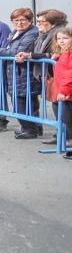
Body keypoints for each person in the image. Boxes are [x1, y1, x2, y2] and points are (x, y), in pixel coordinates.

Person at [0, 8, 40, 138]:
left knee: (24, 103)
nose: (19, 23)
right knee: (21, 102)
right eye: (16, 20)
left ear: (30, 21)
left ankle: (31, 130)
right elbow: (10, 49)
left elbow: (16, 51)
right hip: (15, 72)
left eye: (23, 20)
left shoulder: (32, 33)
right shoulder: (15, 32)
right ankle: (30, 128)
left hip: (25, 73)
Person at [20, 10, 68, 144]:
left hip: (58, 76)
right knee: (57, 106)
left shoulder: (58, 33)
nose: (39, 24)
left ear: (53, 23)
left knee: (62, 108)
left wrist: (31, 55)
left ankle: (64, 136)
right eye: (39, 21)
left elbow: (53, 54)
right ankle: (61, 135)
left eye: (42, 21)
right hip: (51, 76)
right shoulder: (44, 34)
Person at [48, 26, 72, 158]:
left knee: (69, 122)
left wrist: (63, 91)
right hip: (66, 94)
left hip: (68, 94)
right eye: (59, 38)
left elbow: (69, 75)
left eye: (66, 38)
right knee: (67, 122)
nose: (61, 41)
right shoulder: (64, 54)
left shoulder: (70, 54)